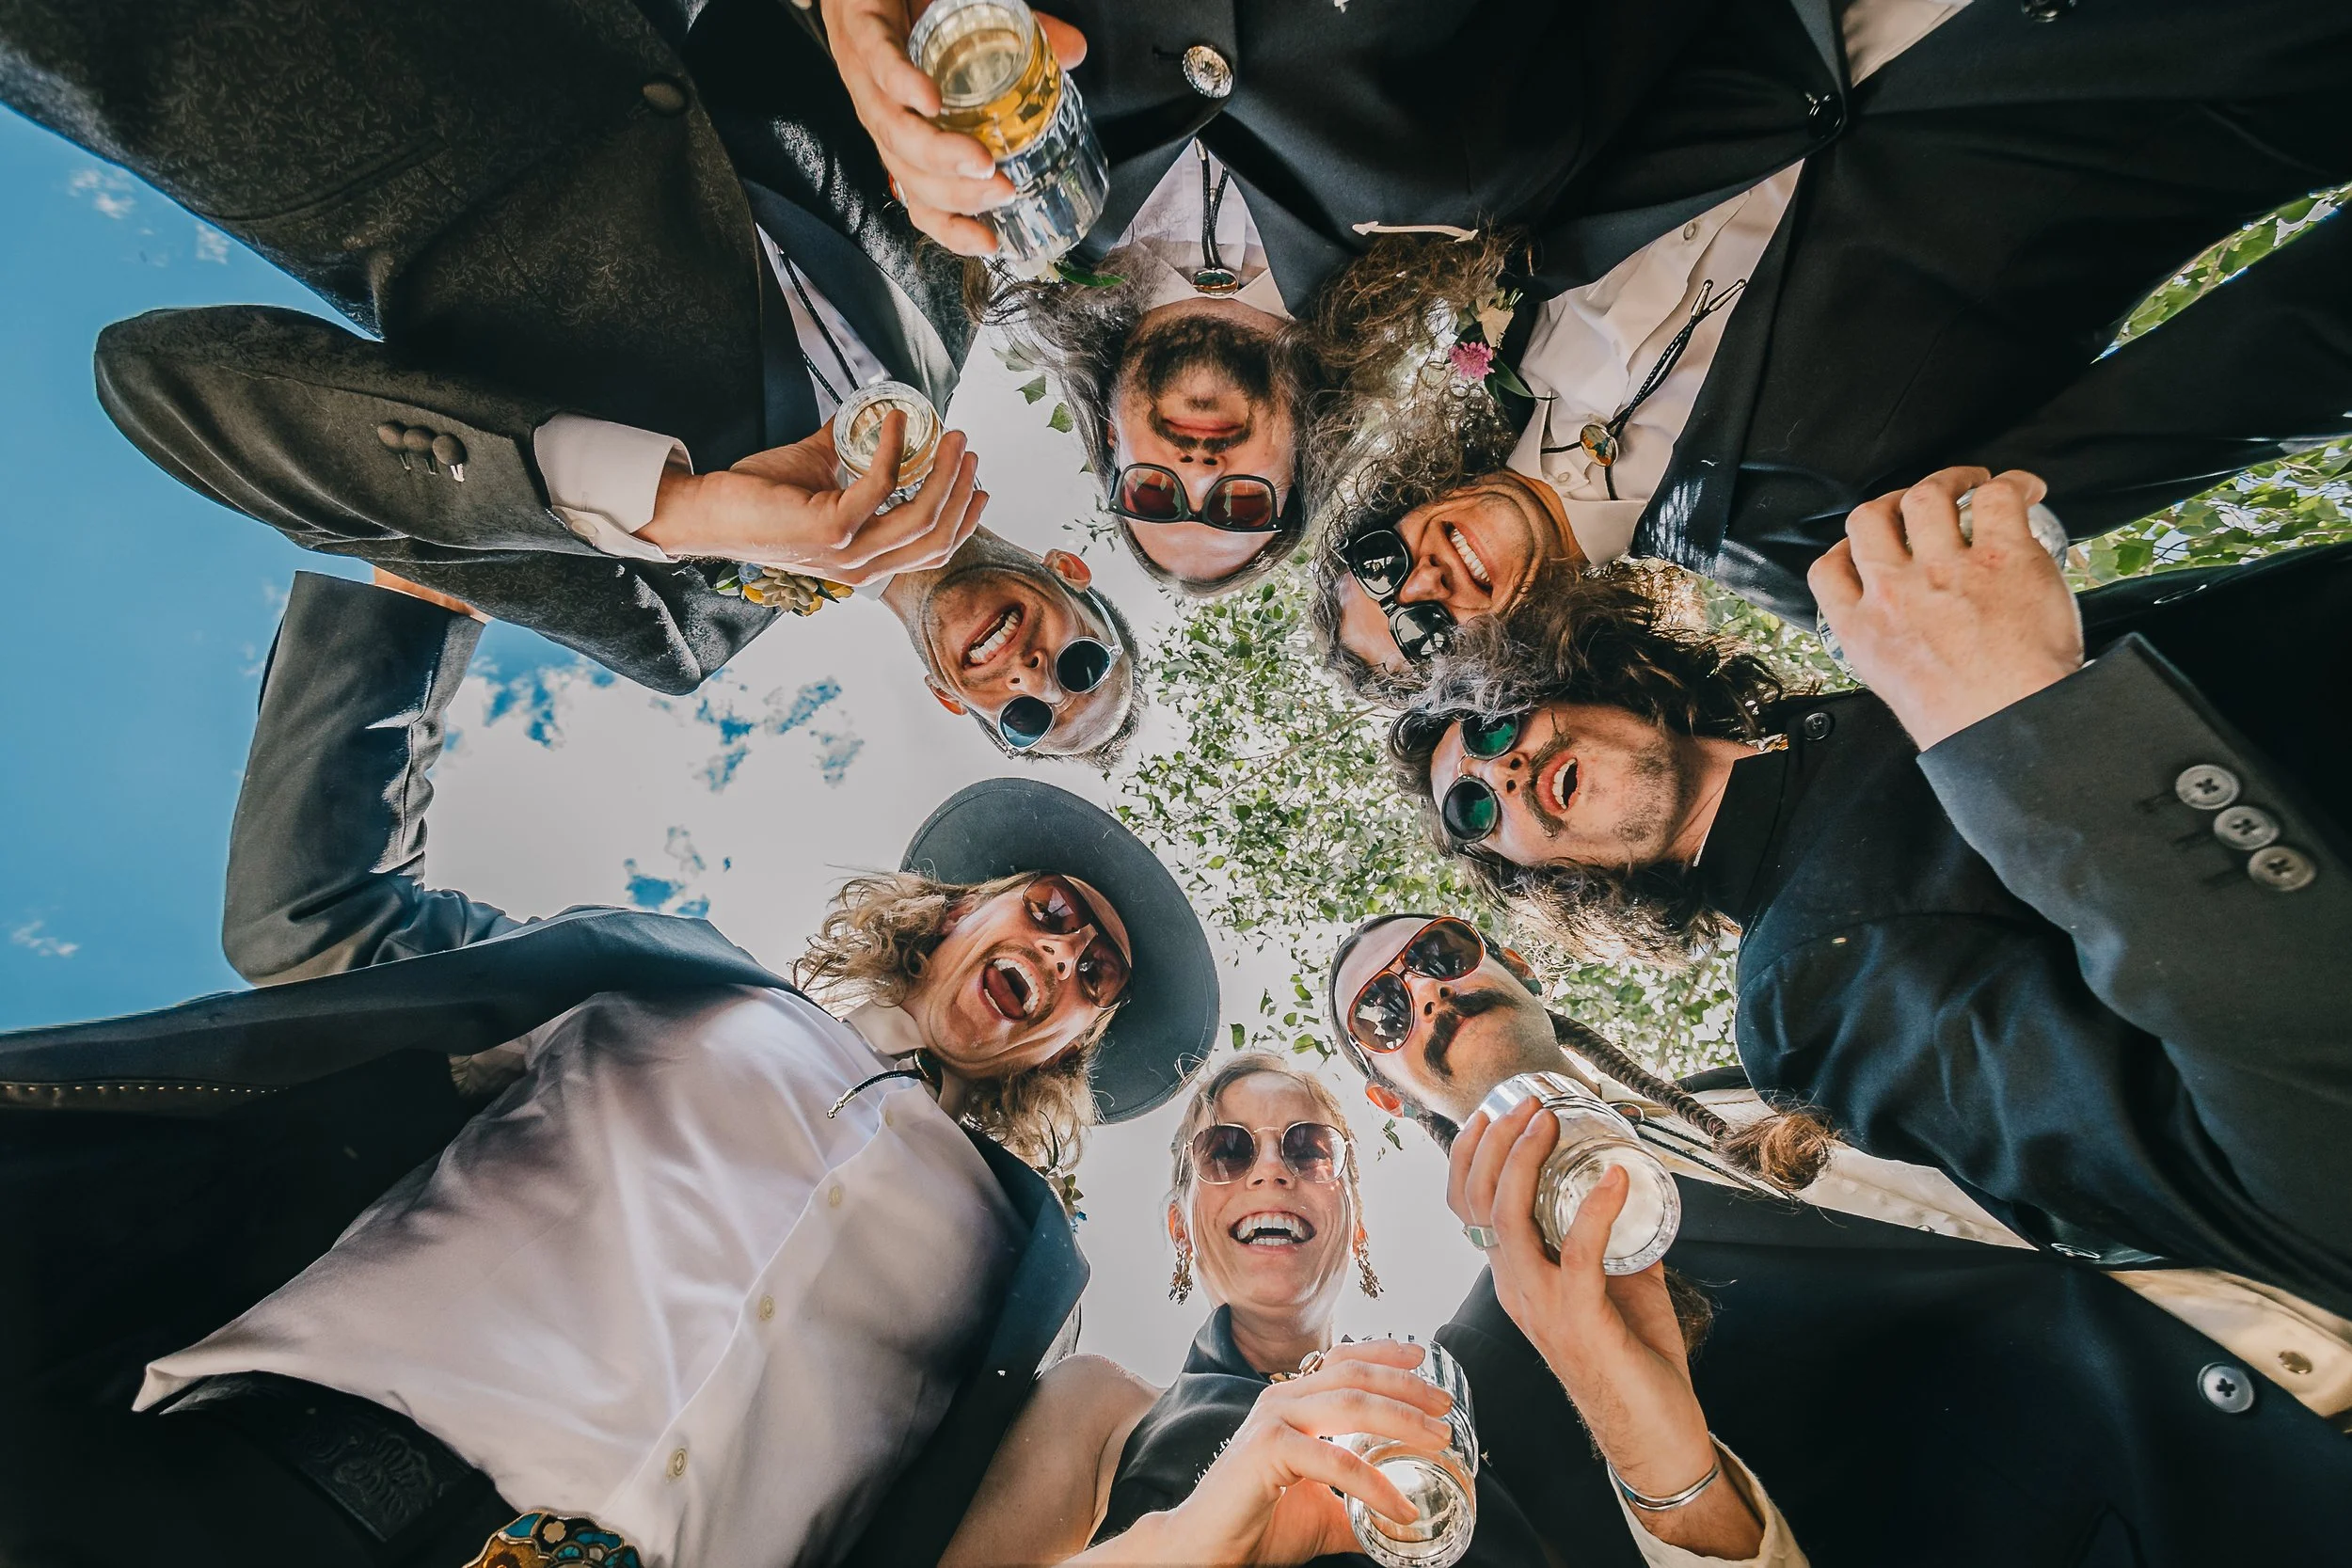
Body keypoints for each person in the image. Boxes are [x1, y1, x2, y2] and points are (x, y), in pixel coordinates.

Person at [0, 566, 1220, 1565]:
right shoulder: (667, 990)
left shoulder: (1021, 1268)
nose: (1060, 957)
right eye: (1049, 911)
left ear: (1072, 1043)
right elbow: (317, 914)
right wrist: (424, 563)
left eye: (1094, 977)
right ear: (956, 907)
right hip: (271, 1496)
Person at [0, 0, 1143, 760]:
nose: (1034, 675)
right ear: (1073, 572)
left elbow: (164, 385)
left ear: (953, 699)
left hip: (244, 58)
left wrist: (675, 508)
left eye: (1027, 716)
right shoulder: (962, 284)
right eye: (1080, 662)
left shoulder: (676, 628)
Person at [1389, 467, 2352, 1319]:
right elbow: (2305, 1186)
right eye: (1475, 809)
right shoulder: (1803, 994)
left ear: (1566, 677)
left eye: (1489, 728)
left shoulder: (1877, 664)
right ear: (1555, 876)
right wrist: (2024, 725)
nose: (1500, 770)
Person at [1307, 0, 2352, 693]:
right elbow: (2211, 398)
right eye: (1426, 637)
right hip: (2218, 57)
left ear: (1392, 510)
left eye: (1380, 566)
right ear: (1510, 666)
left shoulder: (1496, 274)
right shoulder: (1842, 565)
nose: (1423, 586)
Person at [1324, 911, 2352, 1566]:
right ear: (1386, 1093)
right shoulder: (1492, 1364)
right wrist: (1661, 1466)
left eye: (1440, 955)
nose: (1426, 990)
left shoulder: (1766, 1081)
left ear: (1516, 964)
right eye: (1382, 1009)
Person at [811, 0, 1865, 598]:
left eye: (1154, 497)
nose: (1198, 476)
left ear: (1110, 446)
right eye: (1240, 506)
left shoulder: (978, 181)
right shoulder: (1474, 198)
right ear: (1303, 461)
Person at [944, 1051, 1792, 1567]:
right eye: (1226, 1149)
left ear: (1354, 1220)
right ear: (1180, 1225)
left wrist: (1677, 1472)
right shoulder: (1101, 1405)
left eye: (1310, 1148)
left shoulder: (1464, 1405)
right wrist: (1183, 1543)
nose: (1271, 1170)